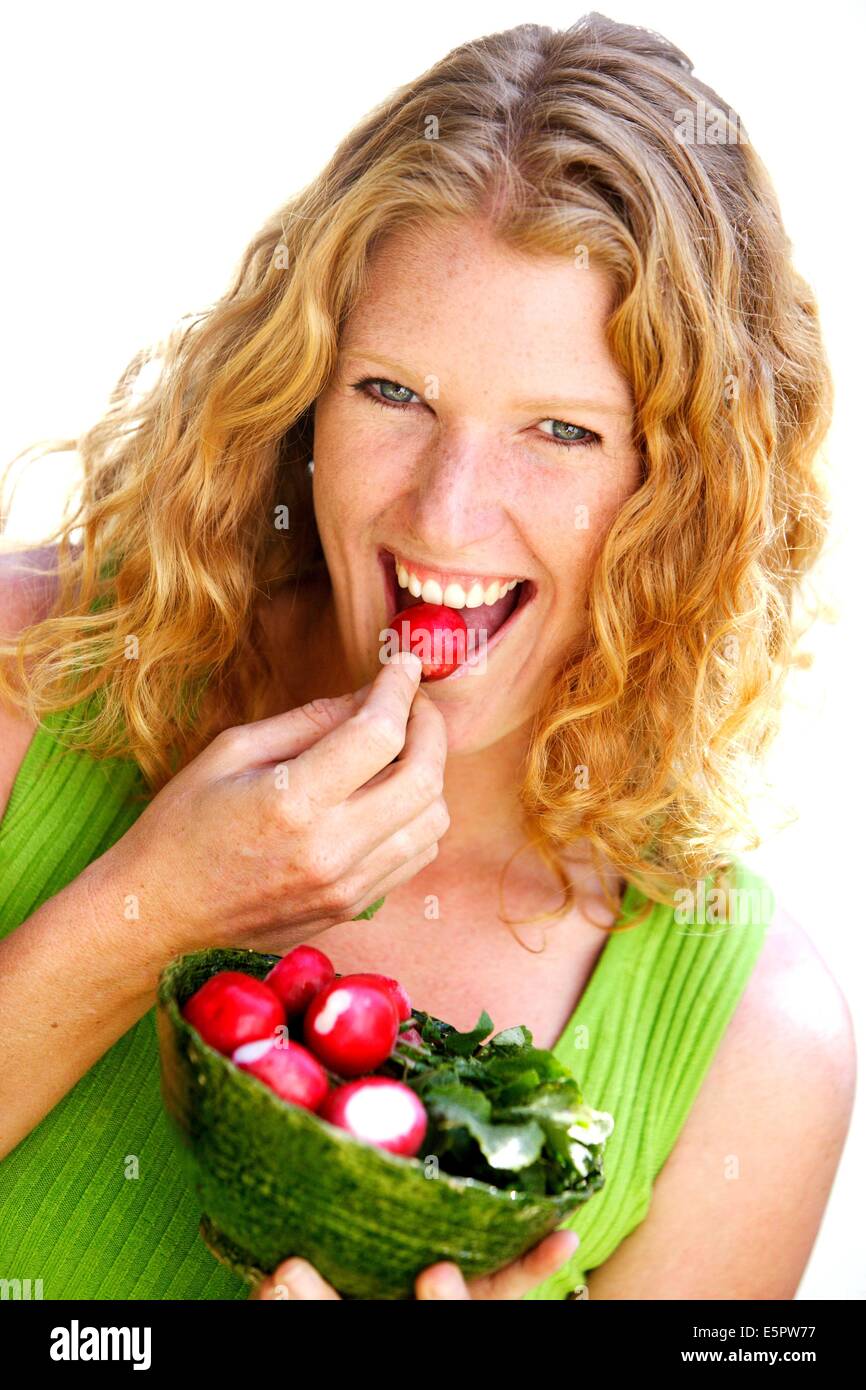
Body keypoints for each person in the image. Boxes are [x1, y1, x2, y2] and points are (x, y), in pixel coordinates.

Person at [0, 14, 855, 1301]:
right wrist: (148, 913)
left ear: (678, 494)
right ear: (297, 392)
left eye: (560, 431)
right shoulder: (30, 670)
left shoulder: (755, 1045)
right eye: (391, 393)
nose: (443, 514)